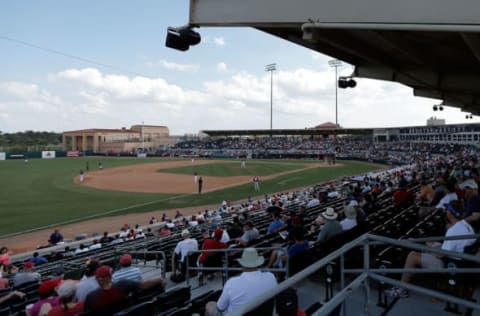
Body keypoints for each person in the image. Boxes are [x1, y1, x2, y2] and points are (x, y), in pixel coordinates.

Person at [386, 200, 476, 298]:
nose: (446, 211)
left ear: (450, 213)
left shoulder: (453, 230)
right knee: (430, 243)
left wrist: (430, 249)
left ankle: (401, 289)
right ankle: (416, 244)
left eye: (447, 210)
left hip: (449, 265)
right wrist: (430, 245)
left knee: (412, 256)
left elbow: (441, 255)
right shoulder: (466, 225)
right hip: (460, 260)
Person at [205, 247, 277, 315]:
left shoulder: (232, 283)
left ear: (242, 264)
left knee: (209, 305)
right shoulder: (271, 277)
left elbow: (220, 308)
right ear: (258, 263)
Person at [84, 265, 166, 316]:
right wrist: (159, 280)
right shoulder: (123, 284)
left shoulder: (91, 297)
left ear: (98, 279)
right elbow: (144, 285)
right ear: (109, 276)